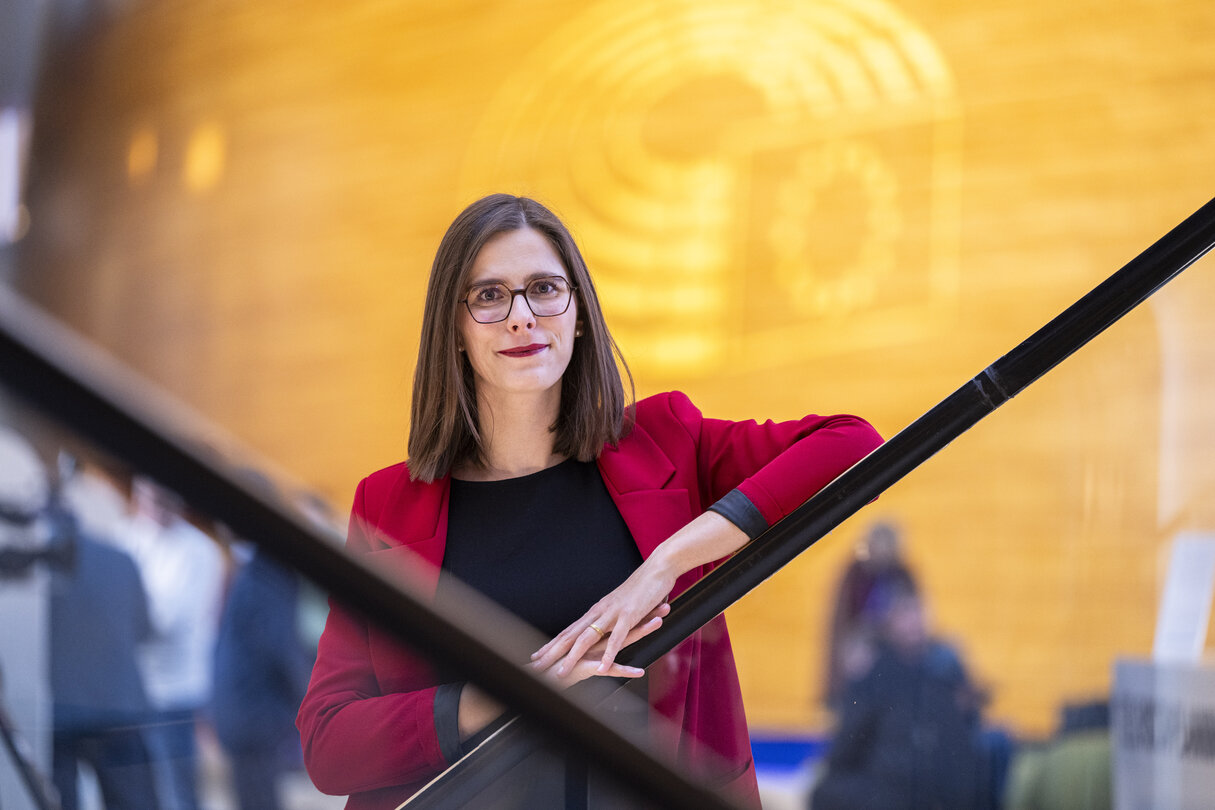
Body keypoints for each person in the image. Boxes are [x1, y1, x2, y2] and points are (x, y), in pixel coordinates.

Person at [296, 194, 883, 809]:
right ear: (456, 329)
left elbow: (851, 444)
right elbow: (329, 744)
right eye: (489, 296)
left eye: (544, 288)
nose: (522, 316)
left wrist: (663, 566)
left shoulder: (666, 441)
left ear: (577, 313)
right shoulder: (389, 504)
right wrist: (511, 691)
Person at [809, 584, 993, 810]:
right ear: (890, 623)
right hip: (912, 784)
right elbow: (851, 739)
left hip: (913, 786)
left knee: (824, 791)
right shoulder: (885, 667)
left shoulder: (942, 666)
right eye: (905, 614)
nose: (913, 622)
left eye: (916, 612)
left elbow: (848, 744)